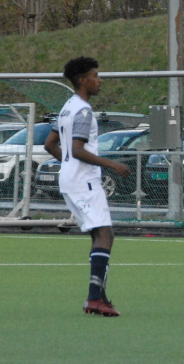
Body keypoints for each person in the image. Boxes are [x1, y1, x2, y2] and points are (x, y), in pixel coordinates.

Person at [43, 56, 131, 317]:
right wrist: (113, 165)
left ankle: (98, 296)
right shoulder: (83, 110)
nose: (99, 80)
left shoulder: (67, 107)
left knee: (98, 235)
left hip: (71, 179)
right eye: (95, 76)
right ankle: (94, 298)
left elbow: (50, 144)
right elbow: (78, 150)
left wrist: (68, 163)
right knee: (106, 235)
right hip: (84, 182)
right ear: (83, 80)